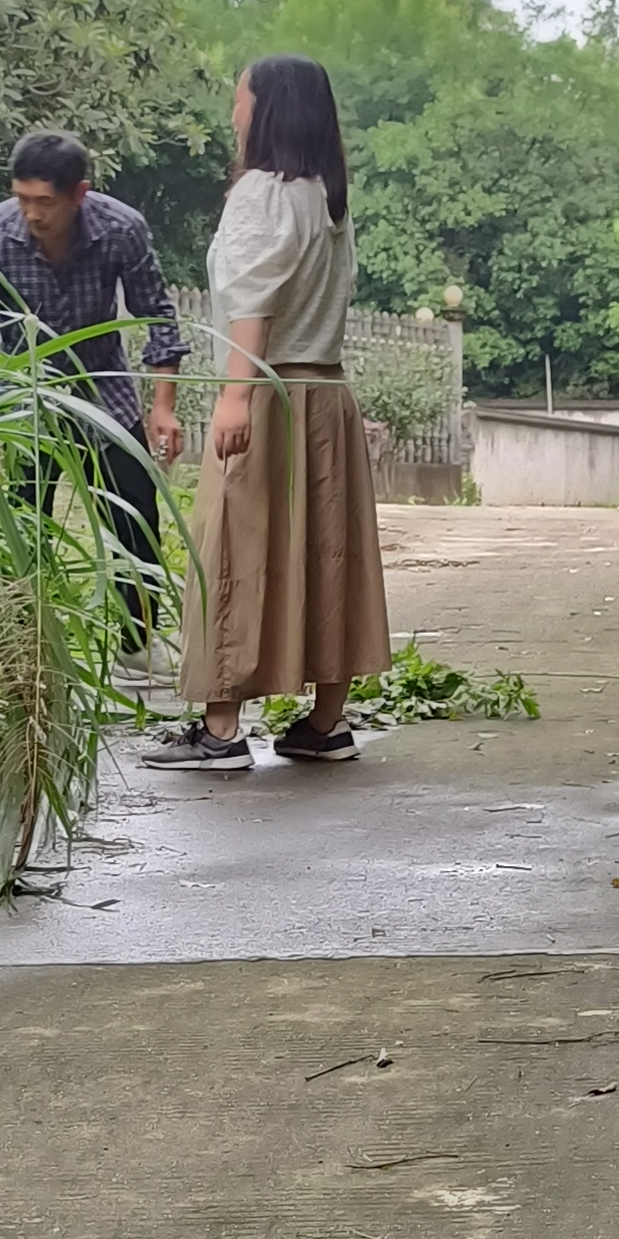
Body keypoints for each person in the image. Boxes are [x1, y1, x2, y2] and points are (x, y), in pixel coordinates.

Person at [144, 52, 390, 771]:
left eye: (240, 101)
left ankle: (221, 731)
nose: (234, 114)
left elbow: (251, 301)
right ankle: (326, 723)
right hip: (326, 398)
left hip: (269, 394)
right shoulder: (326, 197)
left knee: (232, 552)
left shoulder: (262, 192)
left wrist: (233, 396)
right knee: (328, 555)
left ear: (269, 110)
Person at [0, 128, 182, 637]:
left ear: (79, 193)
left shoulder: (122, 229)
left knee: (135, 518)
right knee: (19, 522)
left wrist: (163, 406)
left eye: (45, 202)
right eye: (22, 198)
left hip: (104, 392)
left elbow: (158, 316)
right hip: (20, 397)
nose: (32, 214)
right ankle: (21, 639)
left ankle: (137, 645)